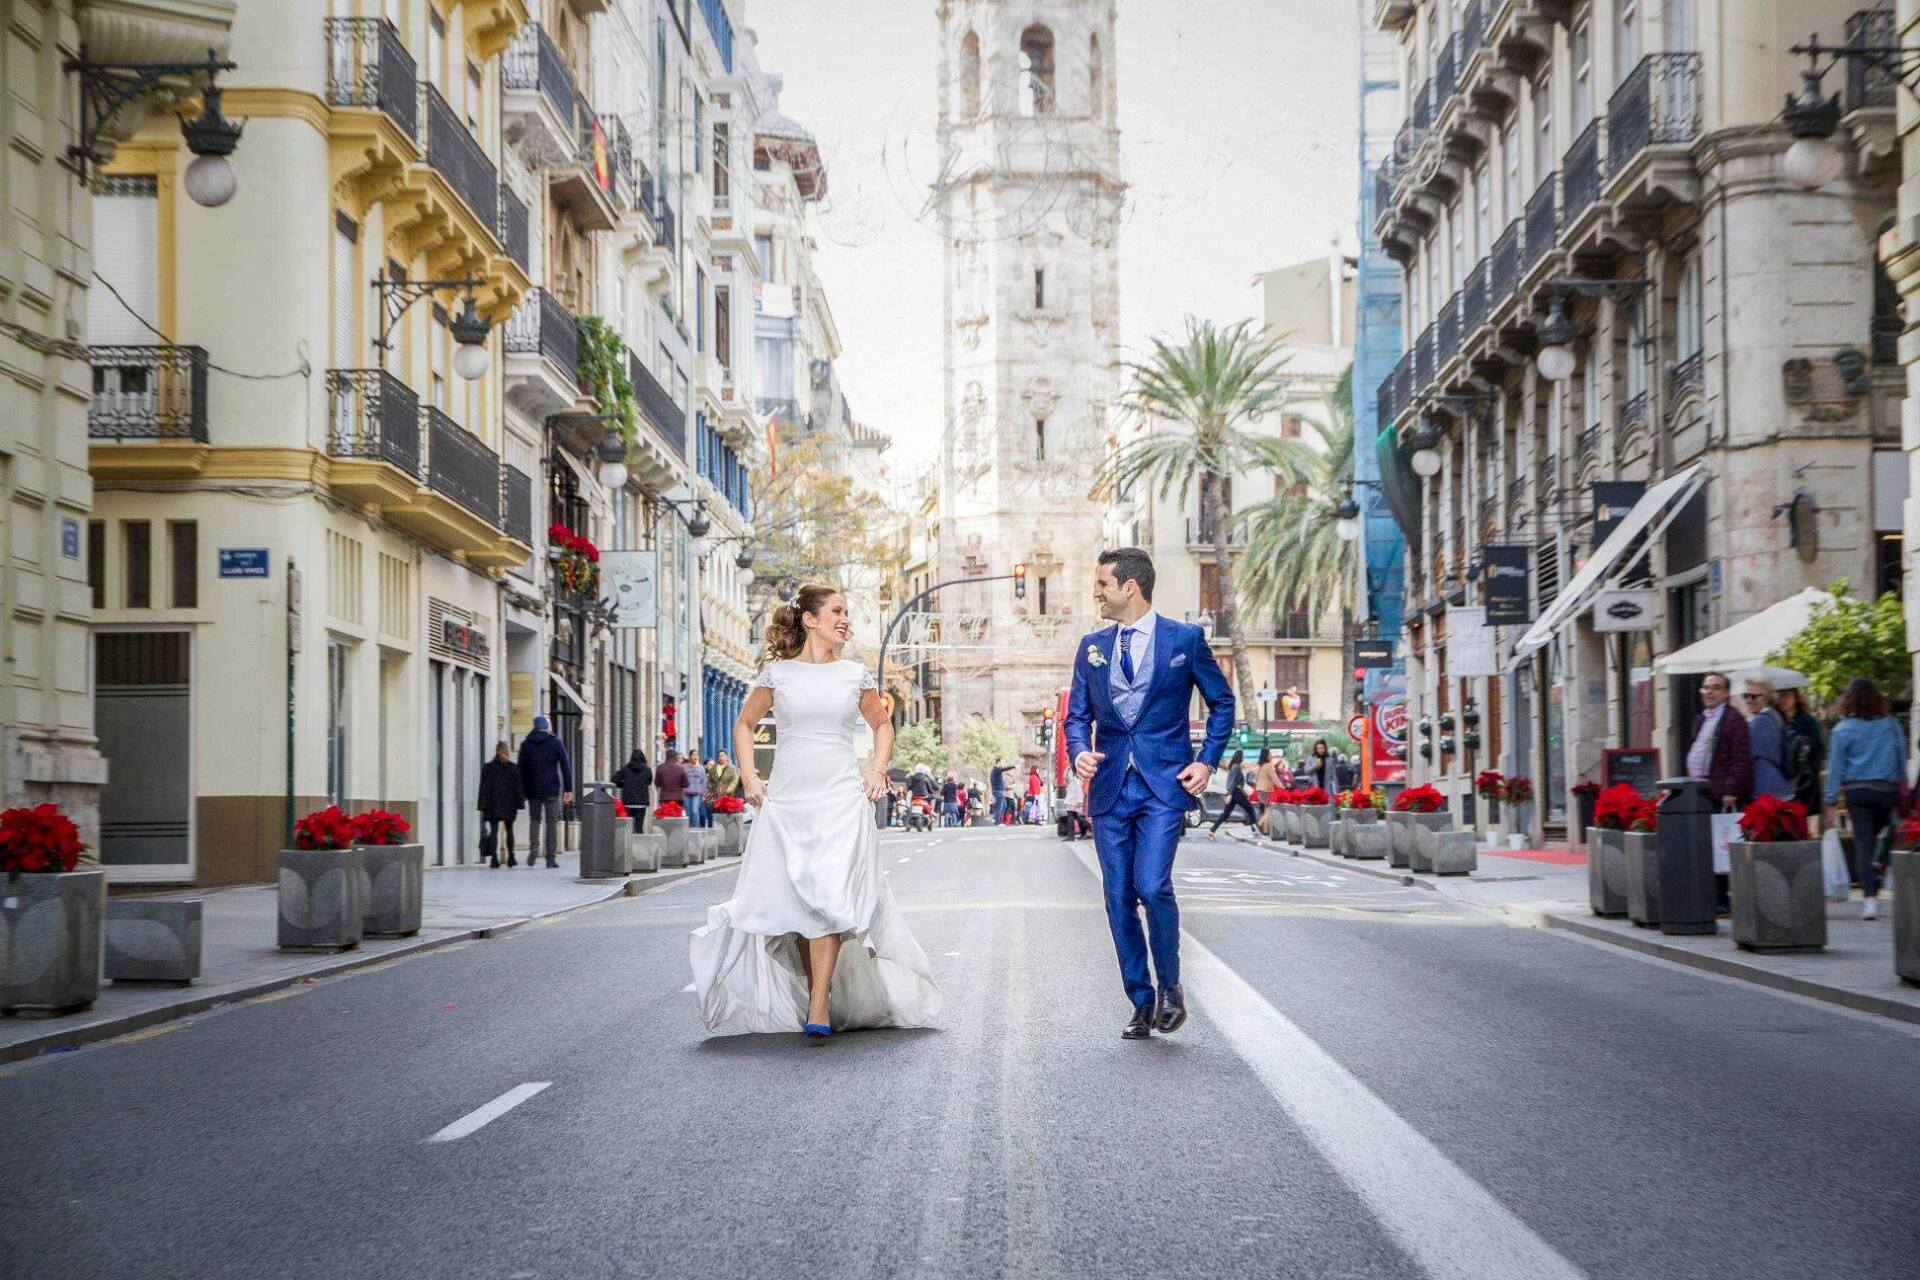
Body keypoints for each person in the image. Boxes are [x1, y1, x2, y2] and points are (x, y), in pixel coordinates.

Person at [690, 584, 941, 1037]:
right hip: (788, 799)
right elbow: (744, 724)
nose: (845, 620)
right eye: (837, 612)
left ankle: (820, 1004)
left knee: (826, 896)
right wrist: (750, 777)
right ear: (809, 619)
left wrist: (877, 770)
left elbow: (882, 725)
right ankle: (816, 993)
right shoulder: (779, 676)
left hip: (841, 797)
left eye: (847, 613)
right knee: (799, 902)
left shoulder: (854, 674)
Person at [1065, 547, 1234, 1041]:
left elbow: (1222, 703)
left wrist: (1206, 761)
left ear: (1129, 587)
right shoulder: (1091, 646)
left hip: (1164, 785)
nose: (1096, 592)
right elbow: (1077, 716)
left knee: (1153, 885)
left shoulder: (1185, 640)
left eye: (1102, 584)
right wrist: (1079, 751)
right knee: (1118, 895)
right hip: (1111, 787)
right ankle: (1140, 1000)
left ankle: (1171, 988)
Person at [1825, 676, 1908, 920]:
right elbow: (1901, 759)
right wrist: (1901, 786)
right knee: (1890, 833)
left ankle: (1870, 901)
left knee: (1863, 843)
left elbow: (1835, 769)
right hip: (1887, 790)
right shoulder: (1891, 725)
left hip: (1857, 792)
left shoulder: (1841, 730)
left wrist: (1830, 802)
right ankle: (1880, 865)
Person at [1686, 672, 1752, 811]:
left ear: (1726, 693)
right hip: (1699, 790)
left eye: (1716, 688)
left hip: (1720, 795)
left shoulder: (1734, 719)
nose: (1709, 692)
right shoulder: (1701, 719)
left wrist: (1731, 790)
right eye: (1706, 688)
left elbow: (1740, 759)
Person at [516, 715, 572, 869]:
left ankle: (533, 851)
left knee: (535, 820)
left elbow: (520, 769)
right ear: (547, 726)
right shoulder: (555, 742)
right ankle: (550, 858)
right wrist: (569, 788)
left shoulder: (526, 744)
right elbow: (565, 766)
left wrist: (521, 790)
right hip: (551, 789)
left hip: (533, 789)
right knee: (551, 823)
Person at [1774, 683, 1826, 814]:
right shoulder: (1776, 720)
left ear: (1796, 698)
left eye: (1786, 696)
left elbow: (1819, 749)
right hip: (1782, 779)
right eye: (1779, 696)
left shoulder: (1807, 721)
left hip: (1803, 780)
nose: (1782, 699)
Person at [1742, 676, 1795, 800]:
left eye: (1753, 696)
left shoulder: (1759, 721)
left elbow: (1745, 755)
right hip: (1781, 785)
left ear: (1766, 698)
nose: (1748, 700)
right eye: (1745, 695)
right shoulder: (1775, 716)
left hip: (1765, 789)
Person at [477, 741, 525, 868]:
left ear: (496, 751)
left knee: (494, 831)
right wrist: (520, 803)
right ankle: (511, 858)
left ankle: (494, 859)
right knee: (509, 830)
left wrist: (481, 805)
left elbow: (483, 788)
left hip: (492, 804)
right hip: (509, 804)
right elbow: (518, 788)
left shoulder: (488, 768)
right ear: (507, 751)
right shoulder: (513, 768)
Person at [1208, 749, 1260, 837]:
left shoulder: (1234, 767)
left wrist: (1229, 794)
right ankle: (1255, 830)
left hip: (1234, 793)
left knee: (1226, 814)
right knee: (1250, 809)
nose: (1244, 758)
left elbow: (1230, 782)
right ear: (1239, 757)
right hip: (1236, 793)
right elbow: (1232, 782)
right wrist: (1230, 794)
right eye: (1242, 756)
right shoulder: (1236, 767)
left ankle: (1212, 830)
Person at [612, 747, 653, 836]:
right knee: (639, 827)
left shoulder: (625, 768)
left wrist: (623, 784)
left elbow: (614, 779)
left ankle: (628, 845)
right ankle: (639, 847)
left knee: (628, 827)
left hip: (628, 802)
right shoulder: (647, 769)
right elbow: (649, 782)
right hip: (641, 803)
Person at [655, 750, 689, 814]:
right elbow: (686, 784)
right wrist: (679, 784)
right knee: (677, 817)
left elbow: (657, 783)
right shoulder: (680, 768)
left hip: (664, 798)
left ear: (666, 756)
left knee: (665, 817)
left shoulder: (660, 768)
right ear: (675, 757)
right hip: (678, 798)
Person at [684, 755, 709, 828]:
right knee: (688, 812)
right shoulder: (684, 767)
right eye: (693, 755)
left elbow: (703, 781)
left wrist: (703, 792)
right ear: (689, 757)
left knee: (694, 811)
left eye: (696, 755)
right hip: (686, 793)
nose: (695, 757)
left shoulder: (701, 767)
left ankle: (695, 830)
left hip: (697, 793)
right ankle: (687, 830)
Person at [990, 759, 1011, 824]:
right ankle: (997, 821)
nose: (1002, 764)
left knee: (1004, 804)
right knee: (1000, 806)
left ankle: (995, 818)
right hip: (998, 790)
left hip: (997, 790)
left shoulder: (994, 771)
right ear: (998, 762)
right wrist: (1014, 766)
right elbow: (1005, 769)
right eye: (1002, 762)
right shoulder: (996, 769)